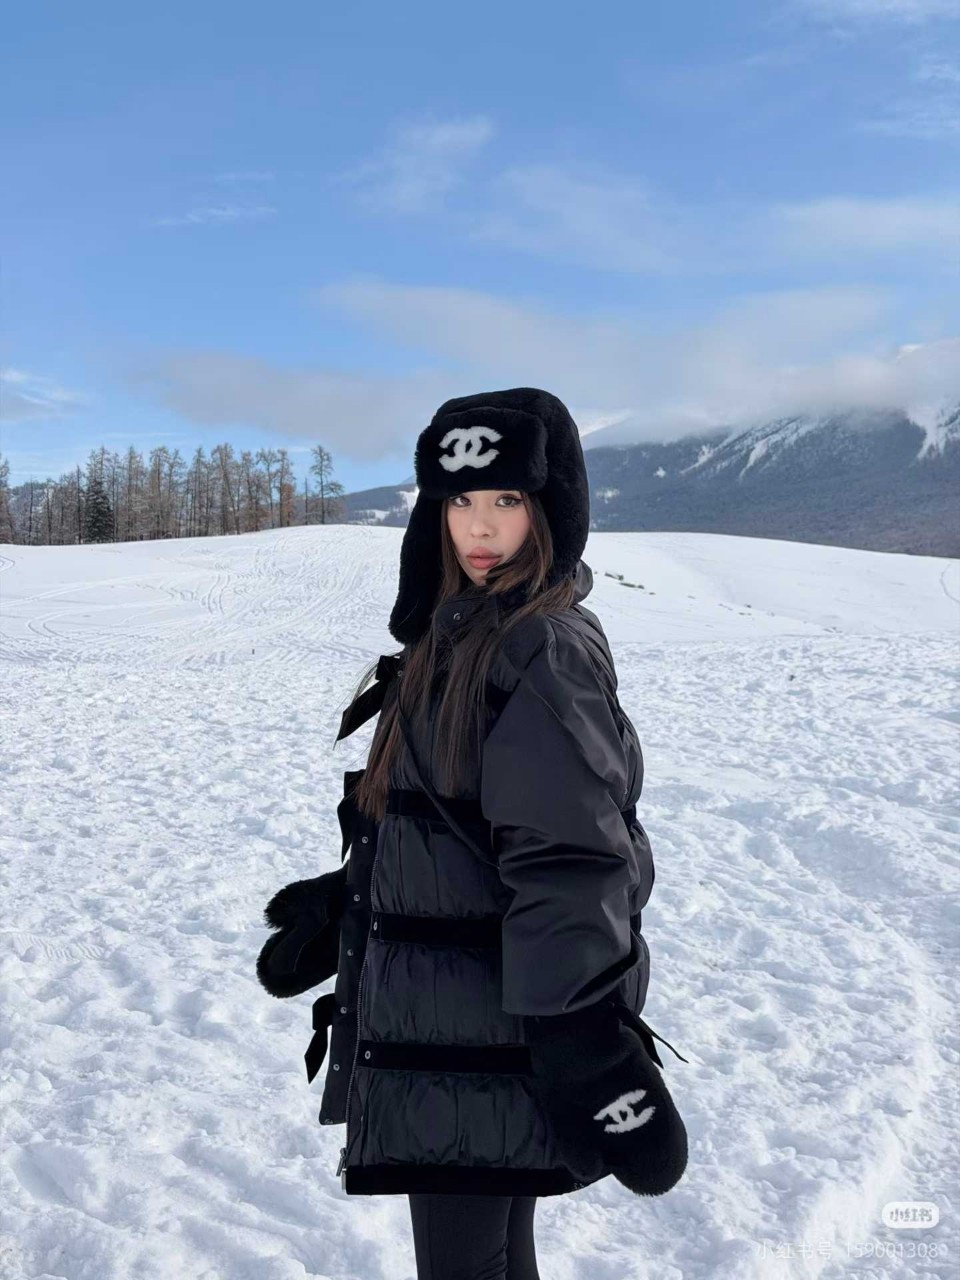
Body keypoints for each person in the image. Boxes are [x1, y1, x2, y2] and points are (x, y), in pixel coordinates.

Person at [258, 387, 687, 1280]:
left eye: (506, 499)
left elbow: (571, 857)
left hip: (491, 1036)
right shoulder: (456, 637)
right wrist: (353, 901)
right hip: (457, 1029)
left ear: (550, 508)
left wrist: (584, 1039)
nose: (480, 526)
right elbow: (461, 827)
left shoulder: (539, 649)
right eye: (459, 500)